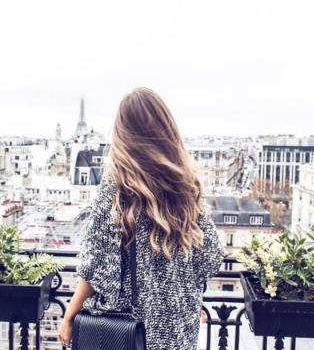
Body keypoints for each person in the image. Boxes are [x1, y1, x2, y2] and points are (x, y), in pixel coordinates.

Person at [58, 87, 223, 350]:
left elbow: (97, 268)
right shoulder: (186, 186)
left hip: (130, 331)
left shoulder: (118, 188)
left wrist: (69, 316)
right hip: (179, 330)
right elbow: (210, 258)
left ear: (123, 133)